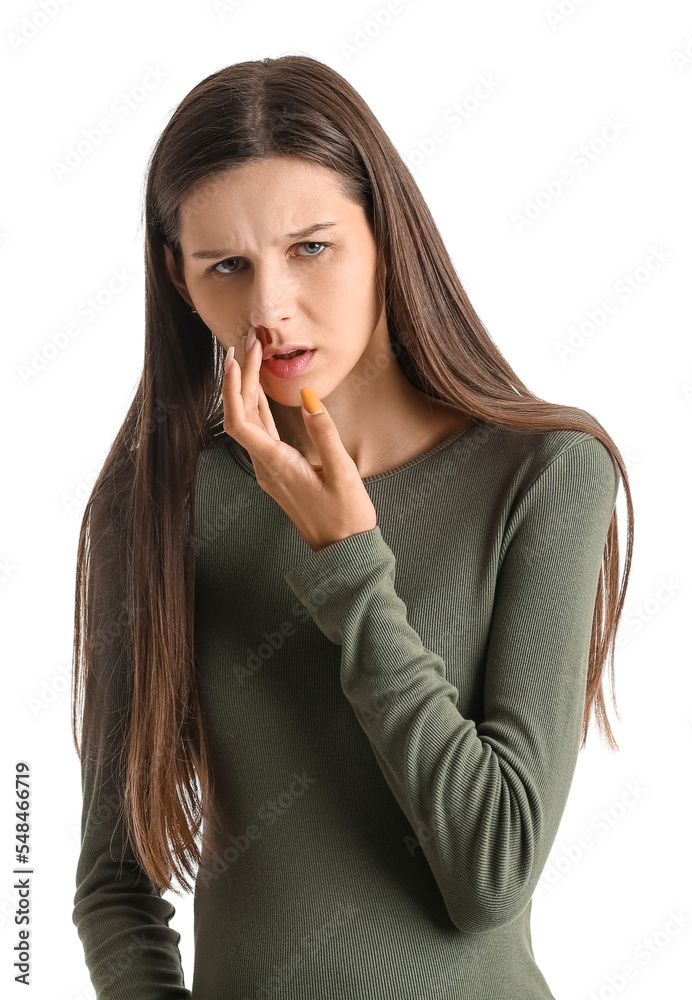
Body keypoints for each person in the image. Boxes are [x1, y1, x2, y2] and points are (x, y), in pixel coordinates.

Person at [71, 55, 634, 1000]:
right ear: (179, 278)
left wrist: (349, 561)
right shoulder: (156, 504)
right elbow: (114, 885)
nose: (268, 309)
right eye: (226, 266)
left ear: (384, 234)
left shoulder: (544, 474)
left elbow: (490, 875)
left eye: (311, 248)